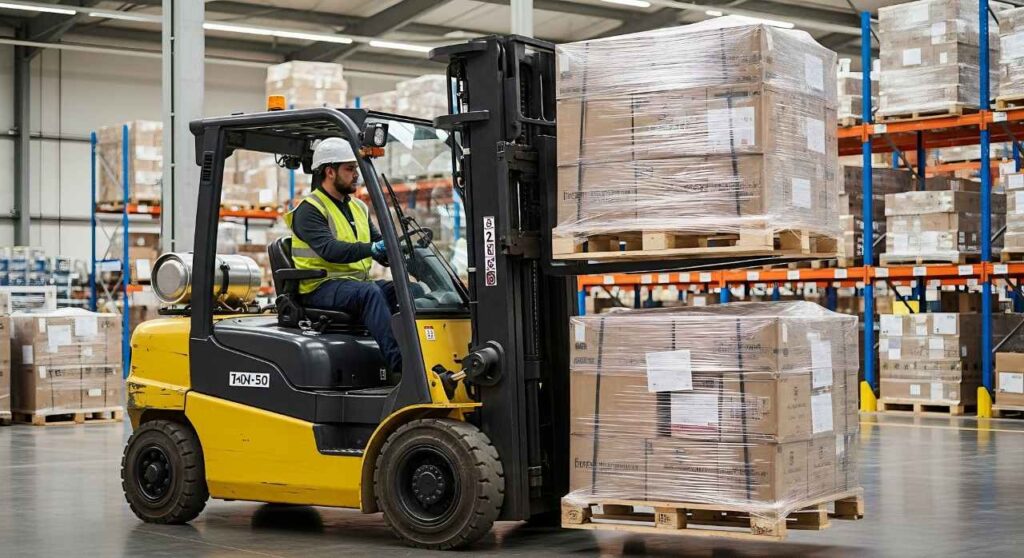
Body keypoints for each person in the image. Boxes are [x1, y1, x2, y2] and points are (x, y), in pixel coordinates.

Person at [284, 137, 403, 376]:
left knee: (403, 290)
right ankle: (401, 366)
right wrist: (372, 249)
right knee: (370, 294)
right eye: (350, 169)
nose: (356, 174)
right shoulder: (310, 209)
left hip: (352, 283)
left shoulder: (358, 207)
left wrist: (398, 251)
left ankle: (425, 352)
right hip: (319, 286)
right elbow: (330, 249)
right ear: (330, 171)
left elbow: (377, 242)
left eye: (356, 169)